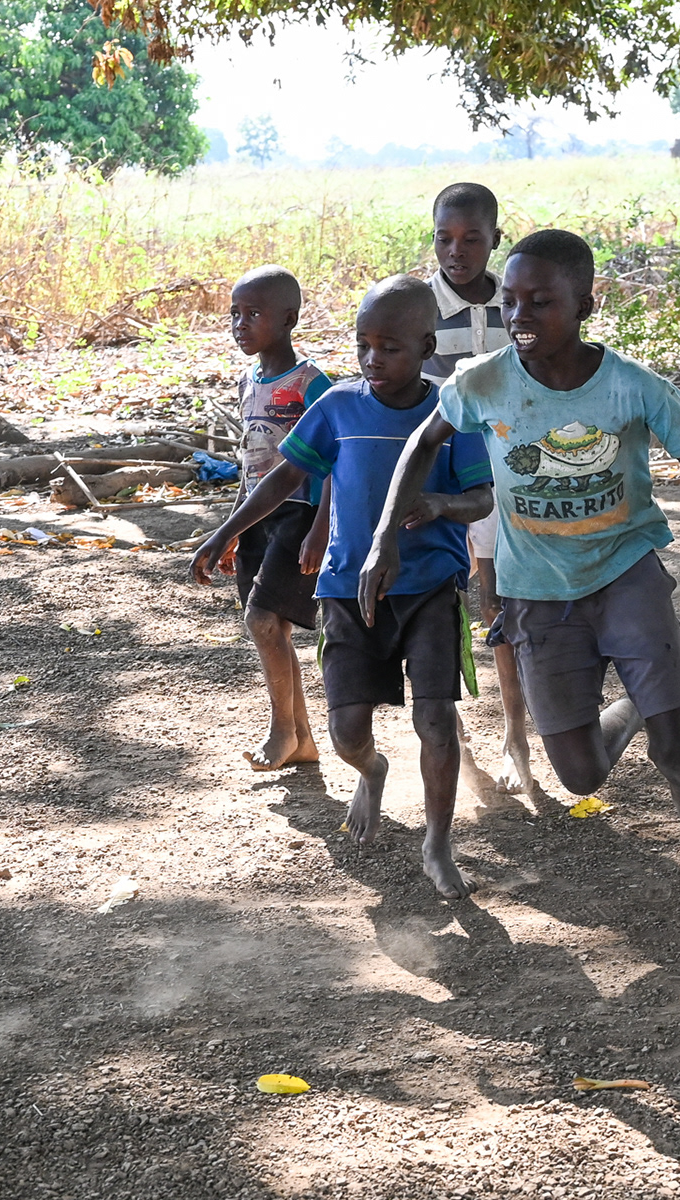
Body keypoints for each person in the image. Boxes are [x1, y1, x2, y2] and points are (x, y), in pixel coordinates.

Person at [360, 230, 680, 939]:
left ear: (585, 304)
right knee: (579, 776)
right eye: (510, 301)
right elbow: (421, 447)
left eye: (540, 302)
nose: (520, 317)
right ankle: (640, 698)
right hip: (536, 592)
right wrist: (384, 537)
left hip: (625, 570)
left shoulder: (631, 386)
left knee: (674, 746)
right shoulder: (482, 382)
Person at [192, 276, 494, 899]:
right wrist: (223, 532)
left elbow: (482, 496)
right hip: (346, 591)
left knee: (435, 720)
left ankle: (437, 843)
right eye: (363, 345)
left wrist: (439, 503)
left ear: (426, 345)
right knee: (345, 734)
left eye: (390, 347)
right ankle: (373, 772)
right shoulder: (336, 408)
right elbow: (283, 479)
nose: (372, 360)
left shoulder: (452, 412)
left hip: (430, 588)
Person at [423, 181, 532, 794]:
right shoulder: (419, 305)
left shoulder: (513, 299)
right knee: (440, 610)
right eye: (445, 238)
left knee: (498, 605)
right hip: (442, 475)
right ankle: (458, 750)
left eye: (471, 239)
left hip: (508, 472)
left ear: (495, 238)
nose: (456, 251)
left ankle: (517, 740)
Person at [224, 265, 333, 772]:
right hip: (257, 516)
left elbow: (335, 458)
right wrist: (233, 528)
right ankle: (302, 740)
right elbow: (250, 463)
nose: (240, 324)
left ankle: (282, 728)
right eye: (235, 314)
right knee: (271, 629)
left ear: (289, 319)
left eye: (253, 315)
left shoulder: (312, 383)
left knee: (262, 618)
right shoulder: (248, 380)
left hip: (299, 511)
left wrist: (321, 526)